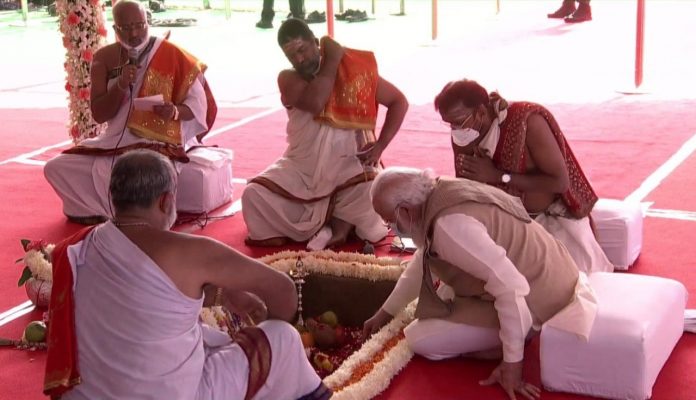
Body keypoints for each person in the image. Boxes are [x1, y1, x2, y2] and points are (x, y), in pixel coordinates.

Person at [43, 149, 330, 400]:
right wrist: (268, 327)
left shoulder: (79, 248)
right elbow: (284, 291)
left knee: (210, 338)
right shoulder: (192, 252)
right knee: (282, 338)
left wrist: (224, 295)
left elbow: (148, 296)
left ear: (113, 198)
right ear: (166, 202)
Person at [363, 167, 597, 400]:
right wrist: (385, 313)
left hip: (541, 298)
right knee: (440, 294)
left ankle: (517, 336)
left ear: (405, 210)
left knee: (420, 338)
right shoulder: (436, 191)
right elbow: (421, 263)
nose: (389, 227)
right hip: (549, 271)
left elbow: (512, 287)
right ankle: (507, 333)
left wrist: (512, 364)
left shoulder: (448, 227)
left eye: (388, 220)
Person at [44, 0, 217, 225]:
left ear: (148, 22)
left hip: (157, 139)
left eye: (139, 25)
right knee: (56, 167)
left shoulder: (173, 55)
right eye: (126, 28)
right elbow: (99, 114)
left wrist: (174, 112)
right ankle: (97, 212)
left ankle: (120, 216)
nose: (134, 33)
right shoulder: (104, 58)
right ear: (116, 29)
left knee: (135, 170)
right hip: (113, 140)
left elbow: (197, 107)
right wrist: (120, 85)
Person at [242, 18, 408, 250]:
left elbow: (399, 101)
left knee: (370, 189)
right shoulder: (288, 78)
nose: (299, 59)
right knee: (253, 194)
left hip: (349, 166)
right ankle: (337, 226)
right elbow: (316, 101)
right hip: (302, 169)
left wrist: (380, 146)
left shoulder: (354, 72)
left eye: (302, 50)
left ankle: (335, 229)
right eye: (292, 56)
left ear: (313, 40)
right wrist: (332, 57)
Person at [433, 79, 613, 274]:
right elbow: (465, 185)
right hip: (502, 221)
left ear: (481, 112)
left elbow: (560, 182)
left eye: (458, 122)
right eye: (449, 124)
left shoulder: (528, 122)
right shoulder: (464, 134)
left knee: (569, 284)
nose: (454, 130)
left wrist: (498, 176)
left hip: (549, 218)